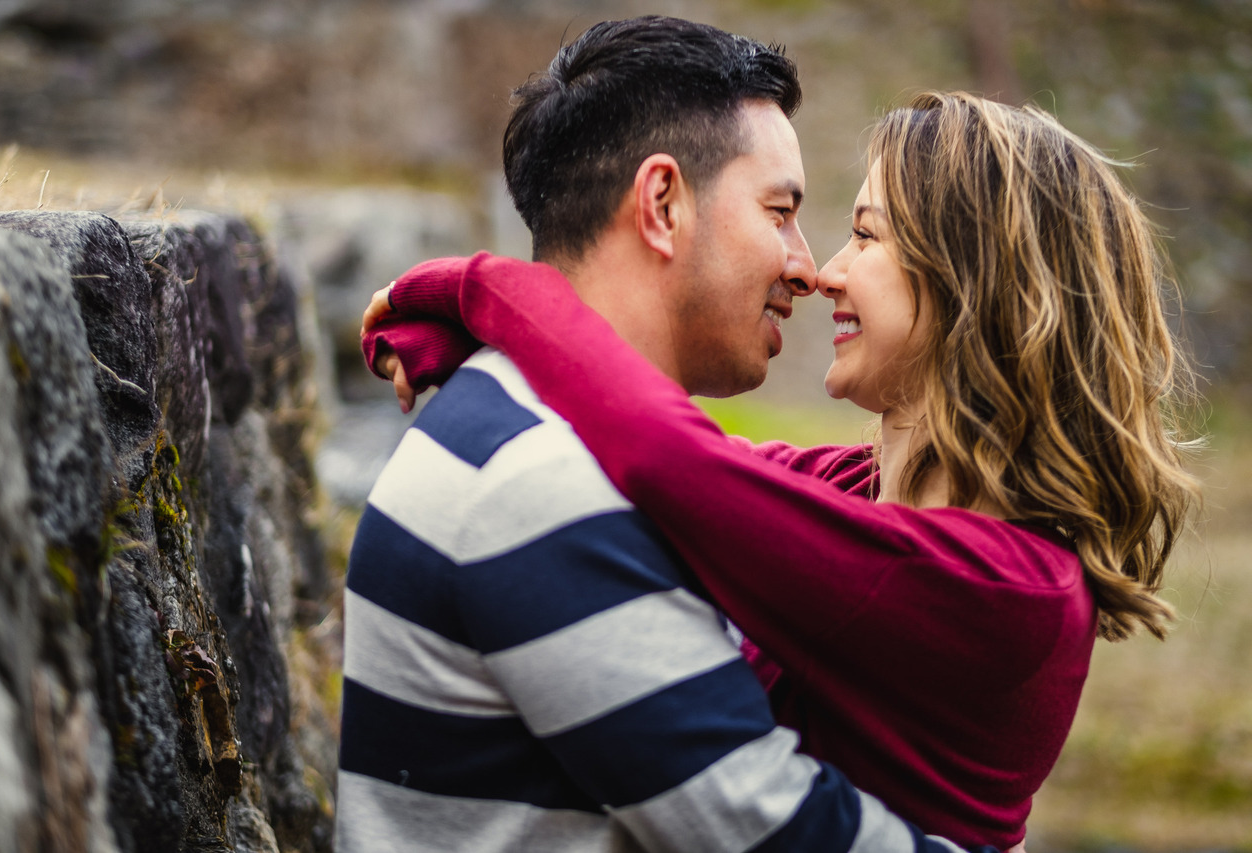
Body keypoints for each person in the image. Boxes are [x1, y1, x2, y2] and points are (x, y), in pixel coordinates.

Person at [363, 91, 1202, 850]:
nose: (825, 269)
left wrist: (478, 290)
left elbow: (666, 455)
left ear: (975, 286)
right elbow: (668, 452)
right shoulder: (854, 491)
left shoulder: (1007, 588)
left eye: (866, 236)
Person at [340, 16, 999, 853]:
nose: (806, 264)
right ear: (662, 204)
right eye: (781, 211)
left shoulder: (553, 435)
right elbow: (764, 827)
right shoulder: (539, 483)